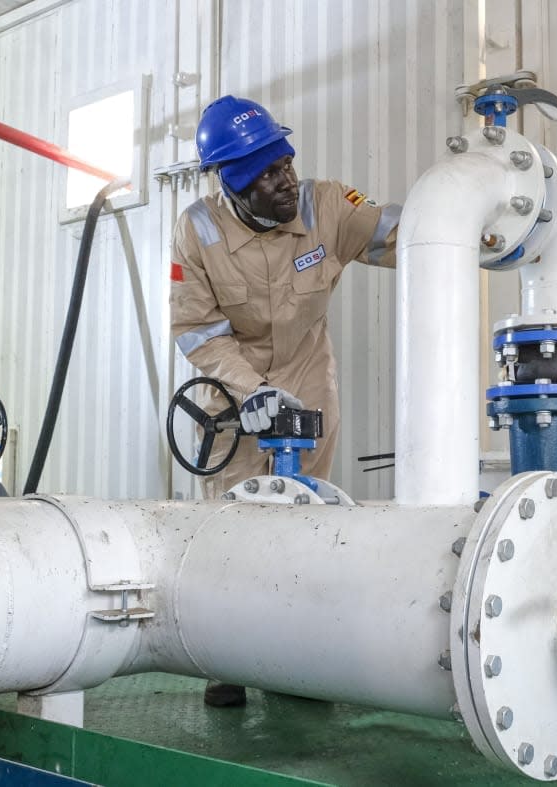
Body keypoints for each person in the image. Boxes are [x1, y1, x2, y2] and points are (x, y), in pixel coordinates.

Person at [169, 95, 400, 707]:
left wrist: (470, 223)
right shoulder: (198, 230)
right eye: (266, 176)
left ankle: (297, 653)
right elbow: (196, 330)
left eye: (286, 164)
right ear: (232, 184)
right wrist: (251, 392)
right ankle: (227, 656)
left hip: (306, 369)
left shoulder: (326, 206)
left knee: (306, 508)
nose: (284, 182)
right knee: (233, 518)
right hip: (231, 380)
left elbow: (401, 234)